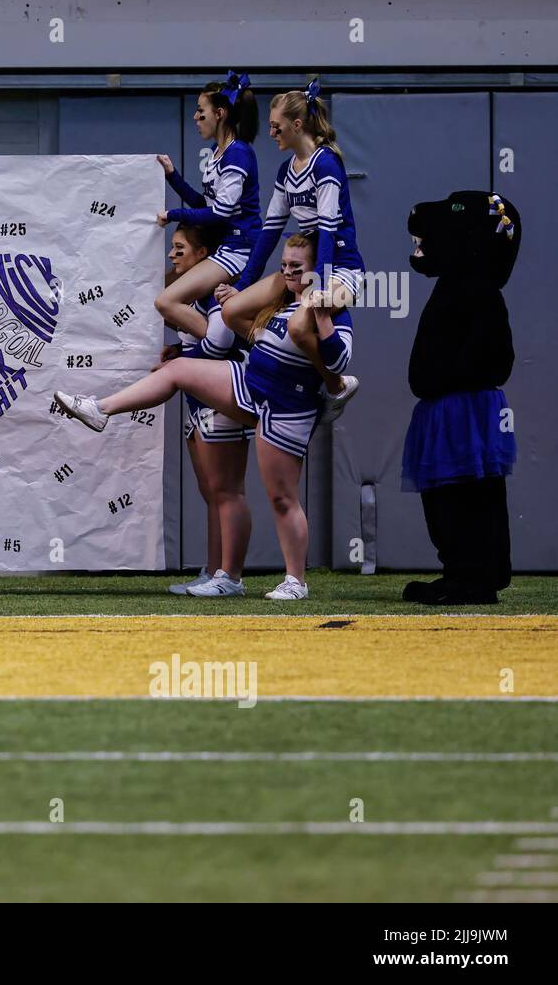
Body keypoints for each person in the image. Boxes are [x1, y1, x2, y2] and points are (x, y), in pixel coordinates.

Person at [56, 233, 352, 600]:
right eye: (284, 266)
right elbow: (240, 325)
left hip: (286, 405)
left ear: (316, 271)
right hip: (250, 383)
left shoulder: (331, 311)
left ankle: (295, 581)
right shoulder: (278, 304)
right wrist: (235, 299)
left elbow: (339, 361)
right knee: (178, 370)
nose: (288, 272)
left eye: (297, 267)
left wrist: (320, 317)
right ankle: (100, 409)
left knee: (282, 497)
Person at [401, 191, 520, 605]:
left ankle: (476, 576)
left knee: (470, 489)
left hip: (465, 410)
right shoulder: (457, 288)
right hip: (445, 409)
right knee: (444, 495)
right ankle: (459, 570)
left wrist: (450, 378)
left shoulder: (481, 293)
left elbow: (499, 358)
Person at [223, 77, 360, 423]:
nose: (271, 133)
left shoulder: (326, 163)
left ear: (297, 125)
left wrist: (319, 285)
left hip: (340, 269)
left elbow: (327, 230)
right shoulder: (286, 171)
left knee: (299, 327)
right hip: (308, 268)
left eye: (276, 126)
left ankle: (336, 386)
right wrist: (242, 285)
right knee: (232, 312)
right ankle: (283, 365)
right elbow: (270, 232)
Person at [157, 224, 254, 598]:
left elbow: (219, 345)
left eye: (180, 248)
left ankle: (230, 576)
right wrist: (179, 353)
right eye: (172, 247)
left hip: (223, 398)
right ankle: (214, 571)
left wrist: (180, 361)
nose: (172, 254)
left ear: (203, 255)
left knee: (228, 491)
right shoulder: (194, 294)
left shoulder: (219, 291)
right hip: (198, 399)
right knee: (212, 492)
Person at [152, 70, 261, 340]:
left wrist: (173, 214)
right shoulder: (217, 152)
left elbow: (220, 213)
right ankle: (214, 343)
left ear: (219, 114)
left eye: (201, 111)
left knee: (165, 301)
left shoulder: (237, 153)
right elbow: (205, 204)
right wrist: (172, 176)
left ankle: (225, 347)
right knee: (158, 298)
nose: (195, 117)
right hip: (224, 245)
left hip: (239, 247)